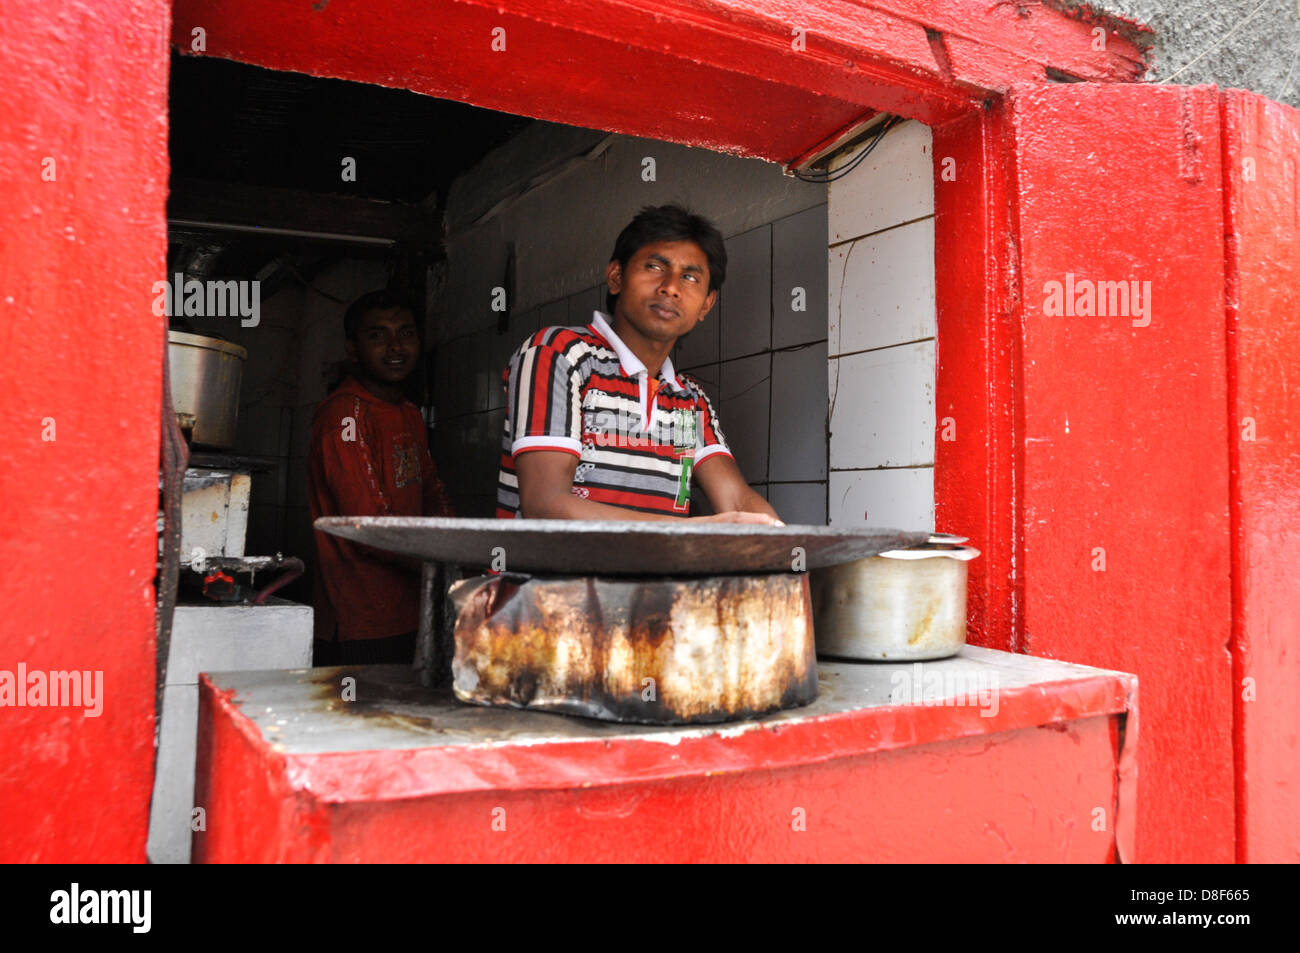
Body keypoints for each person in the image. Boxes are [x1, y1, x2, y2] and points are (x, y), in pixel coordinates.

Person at [497, 204, 783, 525]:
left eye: (689, 277)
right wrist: (692, 530)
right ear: (616, 277)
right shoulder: (558, 354)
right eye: (654, 266)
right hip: (546, 577)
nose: (671, 287)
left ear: (706, 304)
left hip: (650, 578)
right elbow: (545, 505)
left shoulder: (690, 400)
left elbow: (737, 499)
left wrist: (782, 544)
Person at [308, 290, 456, 665]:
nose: (395, 347)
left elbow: (432, 495)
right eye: (378, 336)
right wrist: (441, 566)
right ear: (353, 349)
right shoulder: (344, 416)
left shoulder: (407, 412)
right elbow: (367, 524)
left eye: (406, 334)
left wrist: (460, 552)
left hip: (413, 610)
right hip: (360, 618)